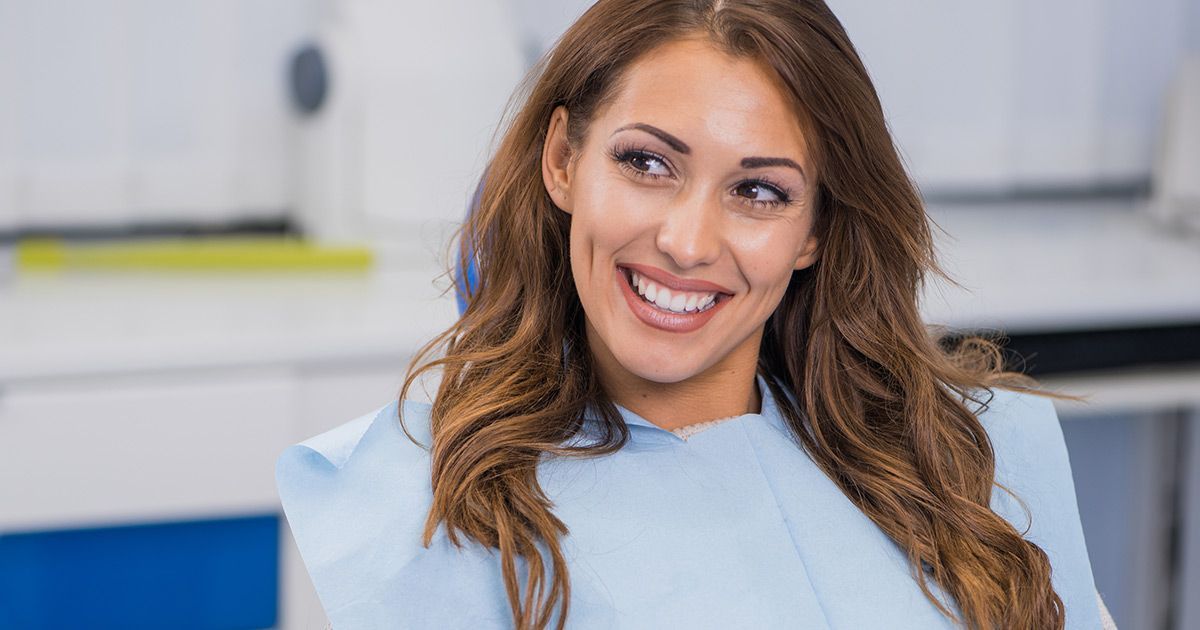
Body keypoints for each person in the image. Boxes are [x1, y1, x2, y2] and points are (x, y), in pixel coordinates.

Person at [277, 1, 1112, 628]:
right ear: (563, 161)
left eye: (758, 190)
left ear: (815, 228)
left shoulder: (971, 461)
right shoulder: (431, 512)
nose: (685, 241)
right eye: (647, 162)